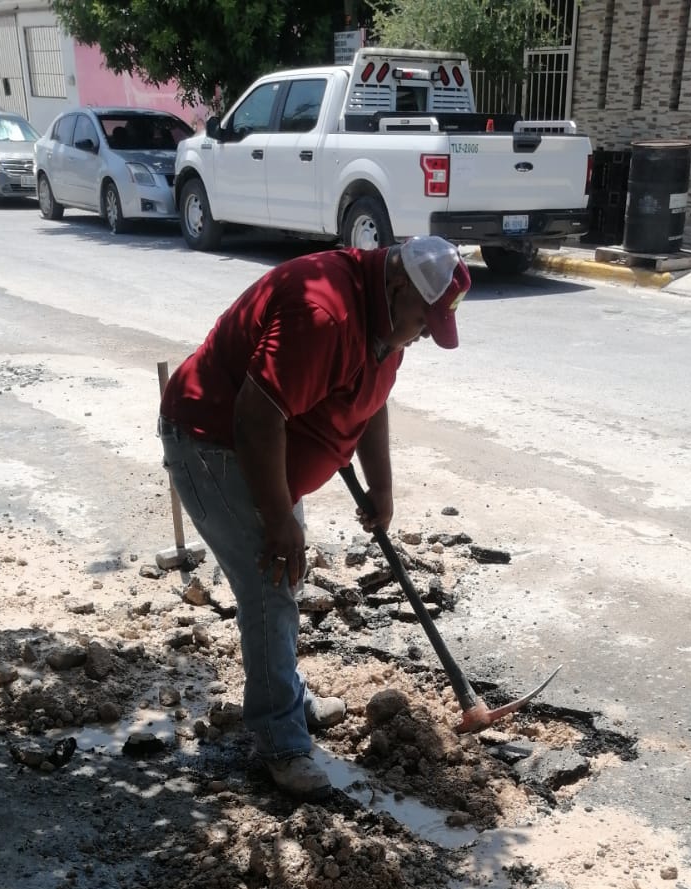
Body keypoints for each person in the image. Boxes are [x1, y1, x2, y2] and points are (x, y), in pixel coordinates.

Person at [158, 236, 471, 797]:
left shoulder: (386, 319)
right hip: (214, 441)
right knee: (270, 581)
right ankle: (280, 740)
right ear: (398, 284)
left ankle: (286, 697)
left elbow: (371, 400)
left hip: (264, 448)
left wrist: (382, 487)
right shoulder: (324, 315)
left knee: (284, 580)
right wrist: (280, 522)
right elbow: (255, 416)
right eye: (423, 322)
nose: (423, 335)